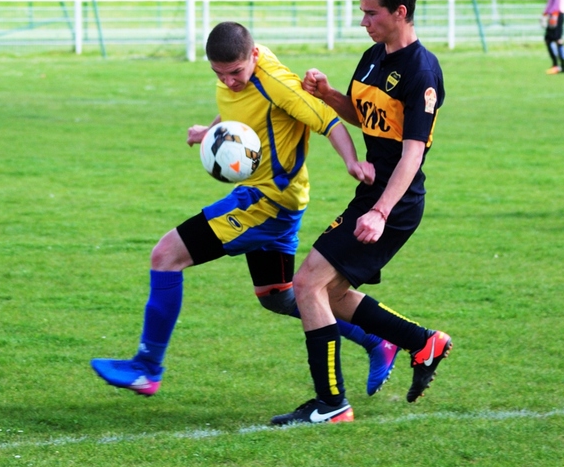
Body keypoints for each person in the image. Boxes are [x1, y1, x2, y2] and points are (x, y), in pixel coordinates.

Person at [90, 22, 399, 398]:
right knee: (277, 296)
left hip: (266, 200)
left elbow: (329, 120)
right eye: (218, 74)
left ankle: (146, 367)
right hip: (277, 200)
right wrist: (210, 131)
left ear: (253, 55)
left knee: (165, 255)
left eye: (235, 72)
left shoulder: (278, 83)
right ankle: (378, 339)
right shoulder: (239, 67)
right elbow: (239, 108)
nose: (229, 81)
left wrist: (351, 162)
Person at [270, 0, 451, 426]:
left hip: (395, 201)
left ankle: (332, 403)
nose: (363, 21)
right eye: (362, 12)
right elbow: (364, 114)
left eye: (371, 13)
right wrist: (328, 94)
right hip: (373, 193)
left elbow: (412, 154)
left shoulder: (421, 71)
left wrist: (380, 211)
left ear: (400, 12)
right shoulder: (373, 56)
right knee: (329, 293)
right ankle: (422, 342)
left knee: (306, 284)